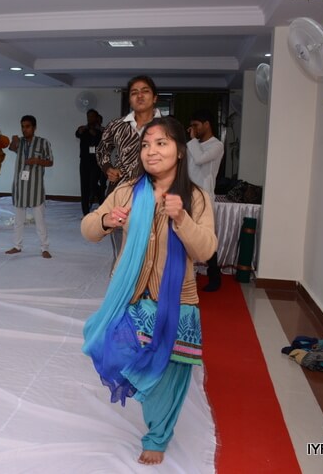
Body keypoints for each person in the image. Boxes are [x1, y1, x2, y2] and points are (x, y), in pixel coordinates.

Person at [80, 117, 217, 465]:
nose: (151, 151)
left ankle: (157, 436)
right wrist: (106, 220)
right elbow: (88, 228)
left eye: (161, 143)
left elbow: (205, 251)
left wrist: (182, 219)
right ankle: (146, 390)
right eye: (145, 145)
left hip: (177, 302)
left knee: (169, 377)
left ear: (180, 152)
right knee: (112, 348)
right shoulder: (127, 191)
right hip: (130, 297)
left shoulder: (196, 198)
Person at [97, 75, 163, 197]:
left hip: (157, 192)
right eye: (134, 93)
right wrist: (108, 168)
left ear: (154, 98)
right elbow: (102, 150)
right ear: (129, 100)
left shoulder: (168, 126)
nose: (140, 96)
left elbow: (179, 160)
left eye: (145, 91)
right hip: (121, 190)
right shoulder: (116, 125)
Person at [5, 115, 54, 258]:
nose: (24, 129)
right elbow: (11, 148)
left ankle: (44, 247)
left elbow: (50, 162)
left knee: (40, 221)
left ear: (34, 127)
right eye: (22, 126)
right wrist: (14, 141)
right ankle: (17, 246)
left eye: (27, 126)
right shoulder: (19, 142)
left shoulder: (43, 142)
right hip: (20, 187)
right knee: (18, 220)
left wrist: (36, 160)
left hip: (35, 188)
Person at [187, 109, 225, 292]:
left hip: (205, 196)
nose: (192, 129)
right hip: (188, 194)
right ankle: (187, 274)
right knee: (186, 234)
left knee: (207, 235)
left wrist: (192, 140)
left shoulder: (217, 145)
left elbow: (200, 159)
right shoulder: (193, 144)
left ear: (207, 124)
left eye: (196, 125)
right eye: (191, 126)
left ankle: (214, 277)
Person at [76, 108, 104, 215]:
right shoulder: (83, 129)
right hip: (84, 162)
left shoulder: (102, 130)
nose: (89, 118)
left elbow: (106, 141)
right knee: (84, 187)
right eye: (88, 116)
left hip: (96, 162)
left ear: (96, 117)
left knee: (93, 184)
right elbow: (77, 134)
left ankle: (102, 200)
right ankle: (85, 213)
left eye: (92, 116)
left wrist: (96, 134)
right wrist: (81, 131)